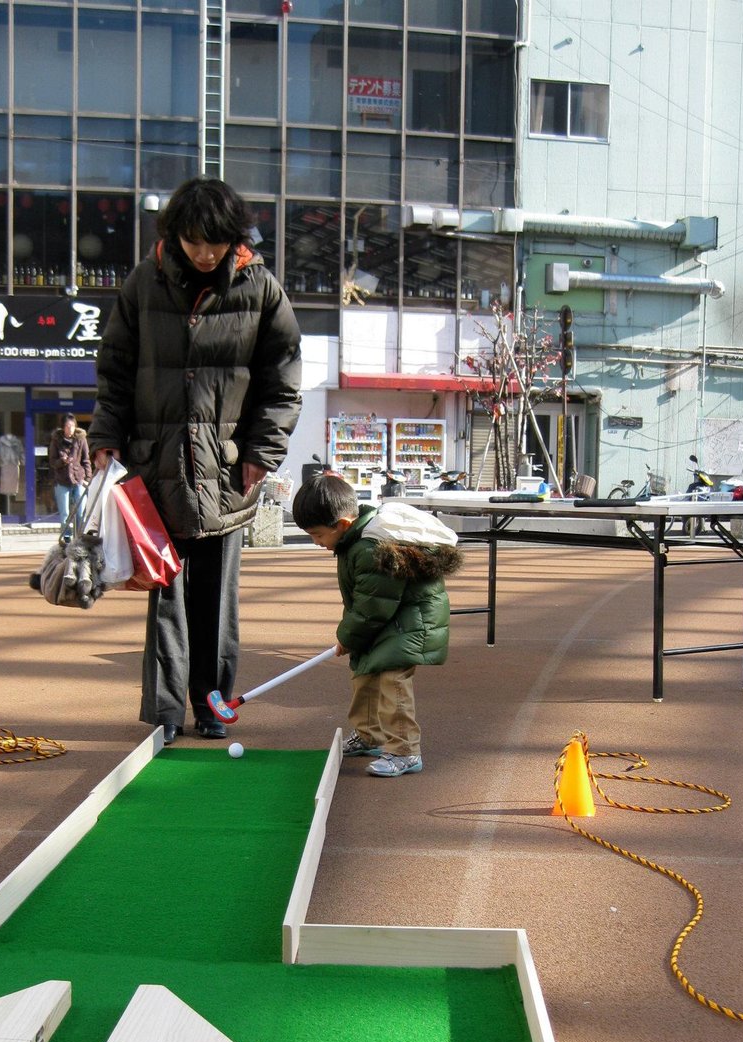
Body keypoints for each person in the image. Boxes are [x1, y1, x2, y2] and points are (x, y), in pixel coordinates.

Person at [88, 176, 302, 744]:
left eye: (215, 243)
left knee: (215, 599)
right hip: (155, 469)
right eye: (193, 242)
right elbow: (114, 369)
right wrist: (105, 435)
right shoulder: (143, 282)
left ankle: (211, 705)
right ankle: (164, 712)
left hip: (229, 471)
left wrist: (262, 453)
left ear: (235, 239)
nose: (204, 254)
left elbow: (283, 380)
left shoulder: (260, 288)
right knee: (165, 592)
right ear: (174, 236)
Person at [291, 473, 462, 778]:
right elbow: (367, 602)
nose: (316, 543)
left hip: (409, 622)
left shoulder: (370, 548)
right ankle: (368, 735)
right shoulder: (352, 541)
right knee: (364, 673)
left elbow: (373, 606)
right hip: (386, 620)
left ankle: (405, 750)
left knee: (391, 681)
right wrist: (353, 637)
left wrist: (348, 637)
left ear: (342, 524)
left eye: (317, 535)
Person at [48, 413, 91, 541]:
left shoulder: (81, 439)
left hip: (78, 479)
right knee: (65, 513)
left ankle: (80, 537)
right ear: (63, 427)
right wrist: (63, 461)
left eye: (72, 426)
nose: (70, 429)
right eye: (67, 426)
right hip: (62, 480)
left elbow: (86, 460)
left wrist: (88, 479)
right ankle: (67, 538)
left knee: (81, 511)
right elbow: (52, 461)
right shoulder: (56, 440)